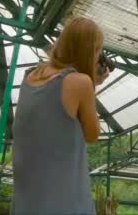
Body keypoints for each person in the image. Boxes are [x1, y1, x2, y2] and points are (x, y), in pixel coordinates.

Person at [12, 17, 110, 215]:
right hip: (65, 202)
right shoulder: (80, 82)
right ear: (89, 51)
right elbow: (92, 135)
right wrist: (93, 84)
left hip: (27, 201)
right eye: (97, 50)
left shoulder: (30, 76)